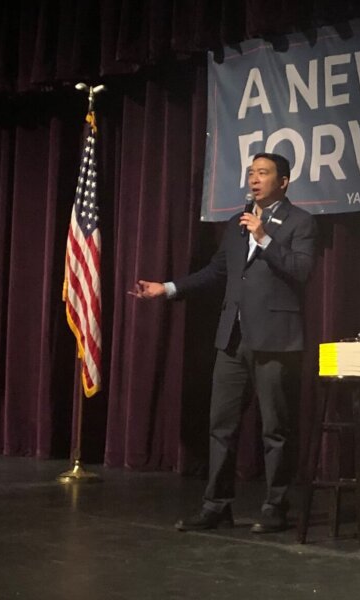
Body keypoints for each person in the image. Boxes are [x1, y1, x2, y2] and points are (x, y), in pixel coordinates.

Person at [131, 152, 317, 534]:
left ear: (283, 181)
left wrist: (264, 237)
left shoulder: (301, 222)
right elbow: (217, 272)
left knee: (275, 429)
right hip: (232, 336)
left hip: (275, 339)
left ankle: (276, 506)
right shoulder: (235, 224)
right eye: (251, 172)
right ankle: (217, 504)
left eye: (263, 173)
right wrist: (166, 288)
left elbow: (301, 270)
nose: (254, 179)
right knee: (221, 425)